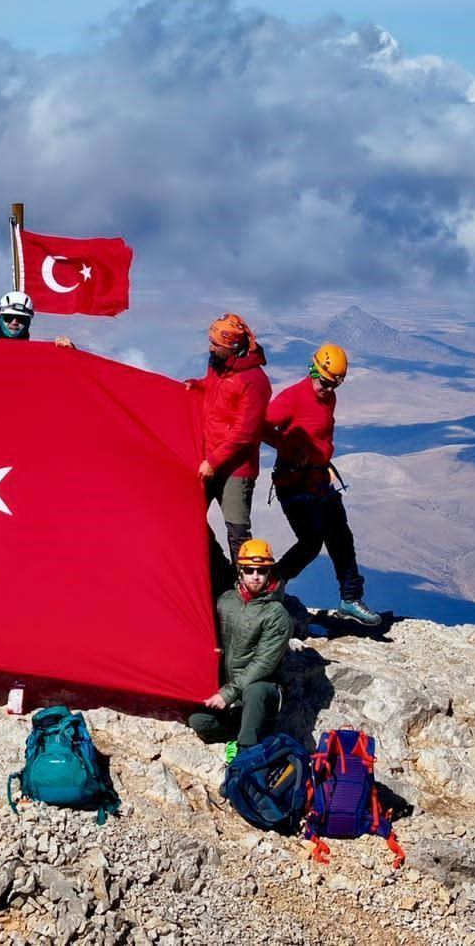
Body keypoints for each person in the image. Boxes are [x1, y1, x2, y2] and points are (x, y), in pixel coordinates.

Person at [260, 342, 381, 626]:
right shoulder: (292, 398)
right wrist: (287, 447)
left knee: (341, 537)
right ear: (313, 370)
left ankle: (350, 599)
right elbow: (261, 425)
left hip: (319, 481)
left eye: (334, 385)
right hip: (294, 484)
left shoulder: (327, 398)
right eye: (325, 382)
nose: (328, 389)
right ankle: (270, 586)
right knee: (311, 541)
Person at [189, 539, 292, 762]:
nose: (255, 576)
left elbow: (263, 664)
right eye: (249, 570)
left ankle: (246, 755)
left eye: (262, 571)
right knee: (199, 721)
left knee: (255, 691)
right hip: (231, 691)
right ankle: (242, 732)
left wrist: (227, 694)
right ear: (240, 571)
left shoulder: (277, 614)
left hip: (263, 691)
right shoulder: (225, 601)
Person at [188, 313, 272, 567]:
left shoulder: (255, 382)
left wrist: (213, 461)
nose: (210, 348)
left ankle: (246, 590)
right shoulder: (217, 364)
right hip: (209, 458)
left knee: (237, 531)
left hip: (236, 468)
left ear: (233, 346)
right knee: (190, 519)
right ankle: (221, 575)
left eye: (216, 344)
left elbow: (245, 432)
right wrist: (197, 385)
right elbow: (215, 390)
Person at [0, 290, 75, 347]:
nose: (14, 322)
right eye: (9, 317)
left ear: (29, 321)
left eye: (21, 319)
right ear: (0, 317)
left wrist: (67, 353)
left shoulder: (42, 356)